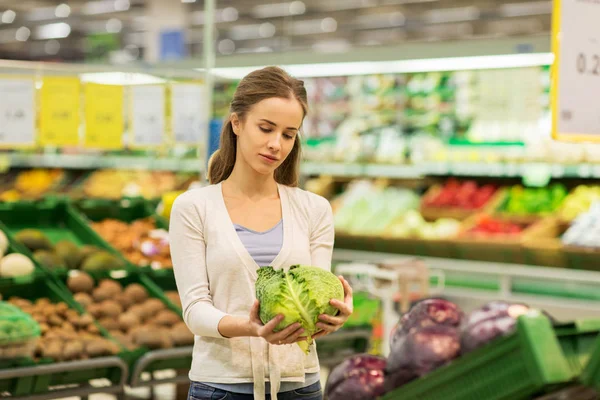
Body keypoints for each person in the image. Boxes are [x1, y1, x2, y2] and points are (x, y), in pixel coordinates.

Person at [169, 66, 354, 400]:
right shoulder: (194, 207)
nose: (275, 144)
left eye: (288, 134)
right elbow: (195, 310)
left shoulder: (314, 209)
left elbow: (316, 292)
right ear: (237, 123)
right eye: (265, 128)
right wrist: (251, 328)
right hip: (221, 387)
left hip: (301, 386)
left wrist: (334, 313)